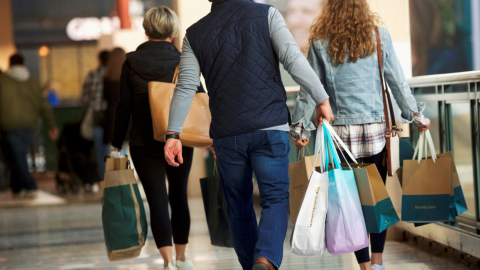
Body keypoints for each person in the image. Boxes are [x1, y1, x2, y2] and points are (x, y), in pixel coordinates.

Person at [163, 0, 333, 269]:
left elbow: (185, 86)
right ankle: (264, 260)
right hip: (269, 127)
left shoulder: (195, 33)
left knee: (238, 206)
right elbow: (292, 58)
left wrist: (173, 134)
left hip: (227, 135)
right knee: (275, 198)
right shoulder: (266, 14)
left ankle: (254, 265)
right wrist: (321, 98)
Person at [291, 0, 431, 270]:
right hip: (376, 132)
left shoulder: (321, 42)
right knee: (376, 200)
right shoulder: (379, 36)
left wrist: (300, 127)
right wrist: (416, 116)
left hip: (340, 136)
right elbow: (397, 83)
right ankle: (378, 264)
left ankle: (365, 266)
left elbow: (309, 89)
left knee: (349, 205)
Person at [111, 7, 199, 270]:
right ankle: (183, 258)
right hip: (180, 137)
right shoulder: (184, 59)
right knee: (179, 196)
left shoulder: (131, 63)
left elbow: (123, 106)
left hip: (142, 141)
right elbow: (199, 97)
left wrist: (117, 143)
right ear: (173, 32)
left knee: (157, 200)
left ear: (146, 31)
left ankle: (168, 262)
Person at [0, 53, 58, 199]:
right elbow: (43, 105)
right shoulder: (32, 81)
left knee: (17, 157)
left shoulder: (3, 82)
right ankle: (17, 188)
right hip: (30, 126)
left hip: (9, 125)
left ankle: (30, 186)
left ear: (10, 64)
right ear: (24, 64)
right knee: (18, 156)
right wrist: (51, 125)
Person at [81, 50, 109, 190]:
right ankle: (120, 181)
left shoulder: (92, 75)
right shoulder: (116, 74)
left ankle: (105, 182)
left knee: (101, 152)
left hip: (97, 118)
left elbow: (85, 99)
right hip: (114, 117)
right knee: (118, 150)